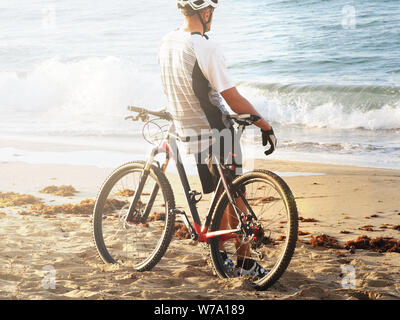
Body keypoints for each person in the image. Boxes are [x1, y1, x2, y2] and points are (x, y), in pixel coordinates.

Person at [158, 0, 277, 277]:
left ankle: (220, 256)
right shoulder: (205, 47)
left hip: (189, 131)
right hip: (217, 131)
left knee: (219, 196)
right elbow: (233, 99)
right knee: (235, 196)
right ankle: (246, 264)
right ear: (206, 12)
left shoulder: (167, 42)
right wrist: (264, 124)